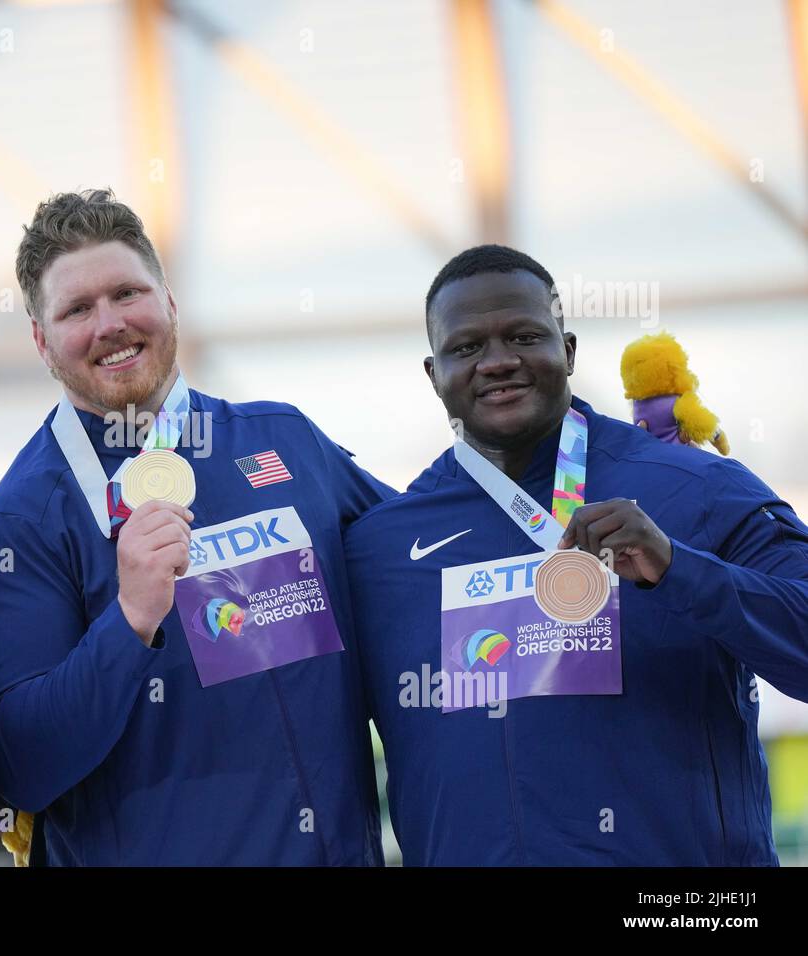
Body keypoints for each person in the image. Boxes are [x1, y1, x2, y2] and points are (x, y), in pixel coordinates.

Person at [0, 189, 395, 865]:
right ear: (42, 341)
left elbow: (427, 568)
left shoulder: (288, 443)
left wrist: (584, 505)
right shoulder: (18, 525)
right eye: (77, 309)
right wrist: (129, 620)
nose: (110, 324)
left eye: (127, 293)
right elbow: (24, 768)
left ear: (169, 304)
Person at [344, 244, 808, 865]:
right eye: (466, 347)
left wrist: (680, 569)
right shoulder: (382, 546)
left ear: (567, 350)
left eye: (524, 335)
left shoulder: (699, 489)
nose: (497, 362)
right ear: (434, 375)